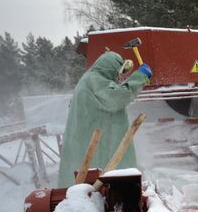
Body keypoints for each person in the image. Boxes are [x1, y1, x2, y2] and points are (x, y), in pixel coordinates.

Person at [57, 51, 153, 187]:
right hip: (94, 145)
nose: (118, 77)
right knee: (99, 184)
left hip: (89, 142)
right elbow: (117, 96)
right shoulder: (94, 80)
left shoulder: (89, 79)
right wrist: (140, 76)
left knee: (89, 182)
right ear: (109, 67)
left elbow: (112, 91)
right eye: (117, 72)